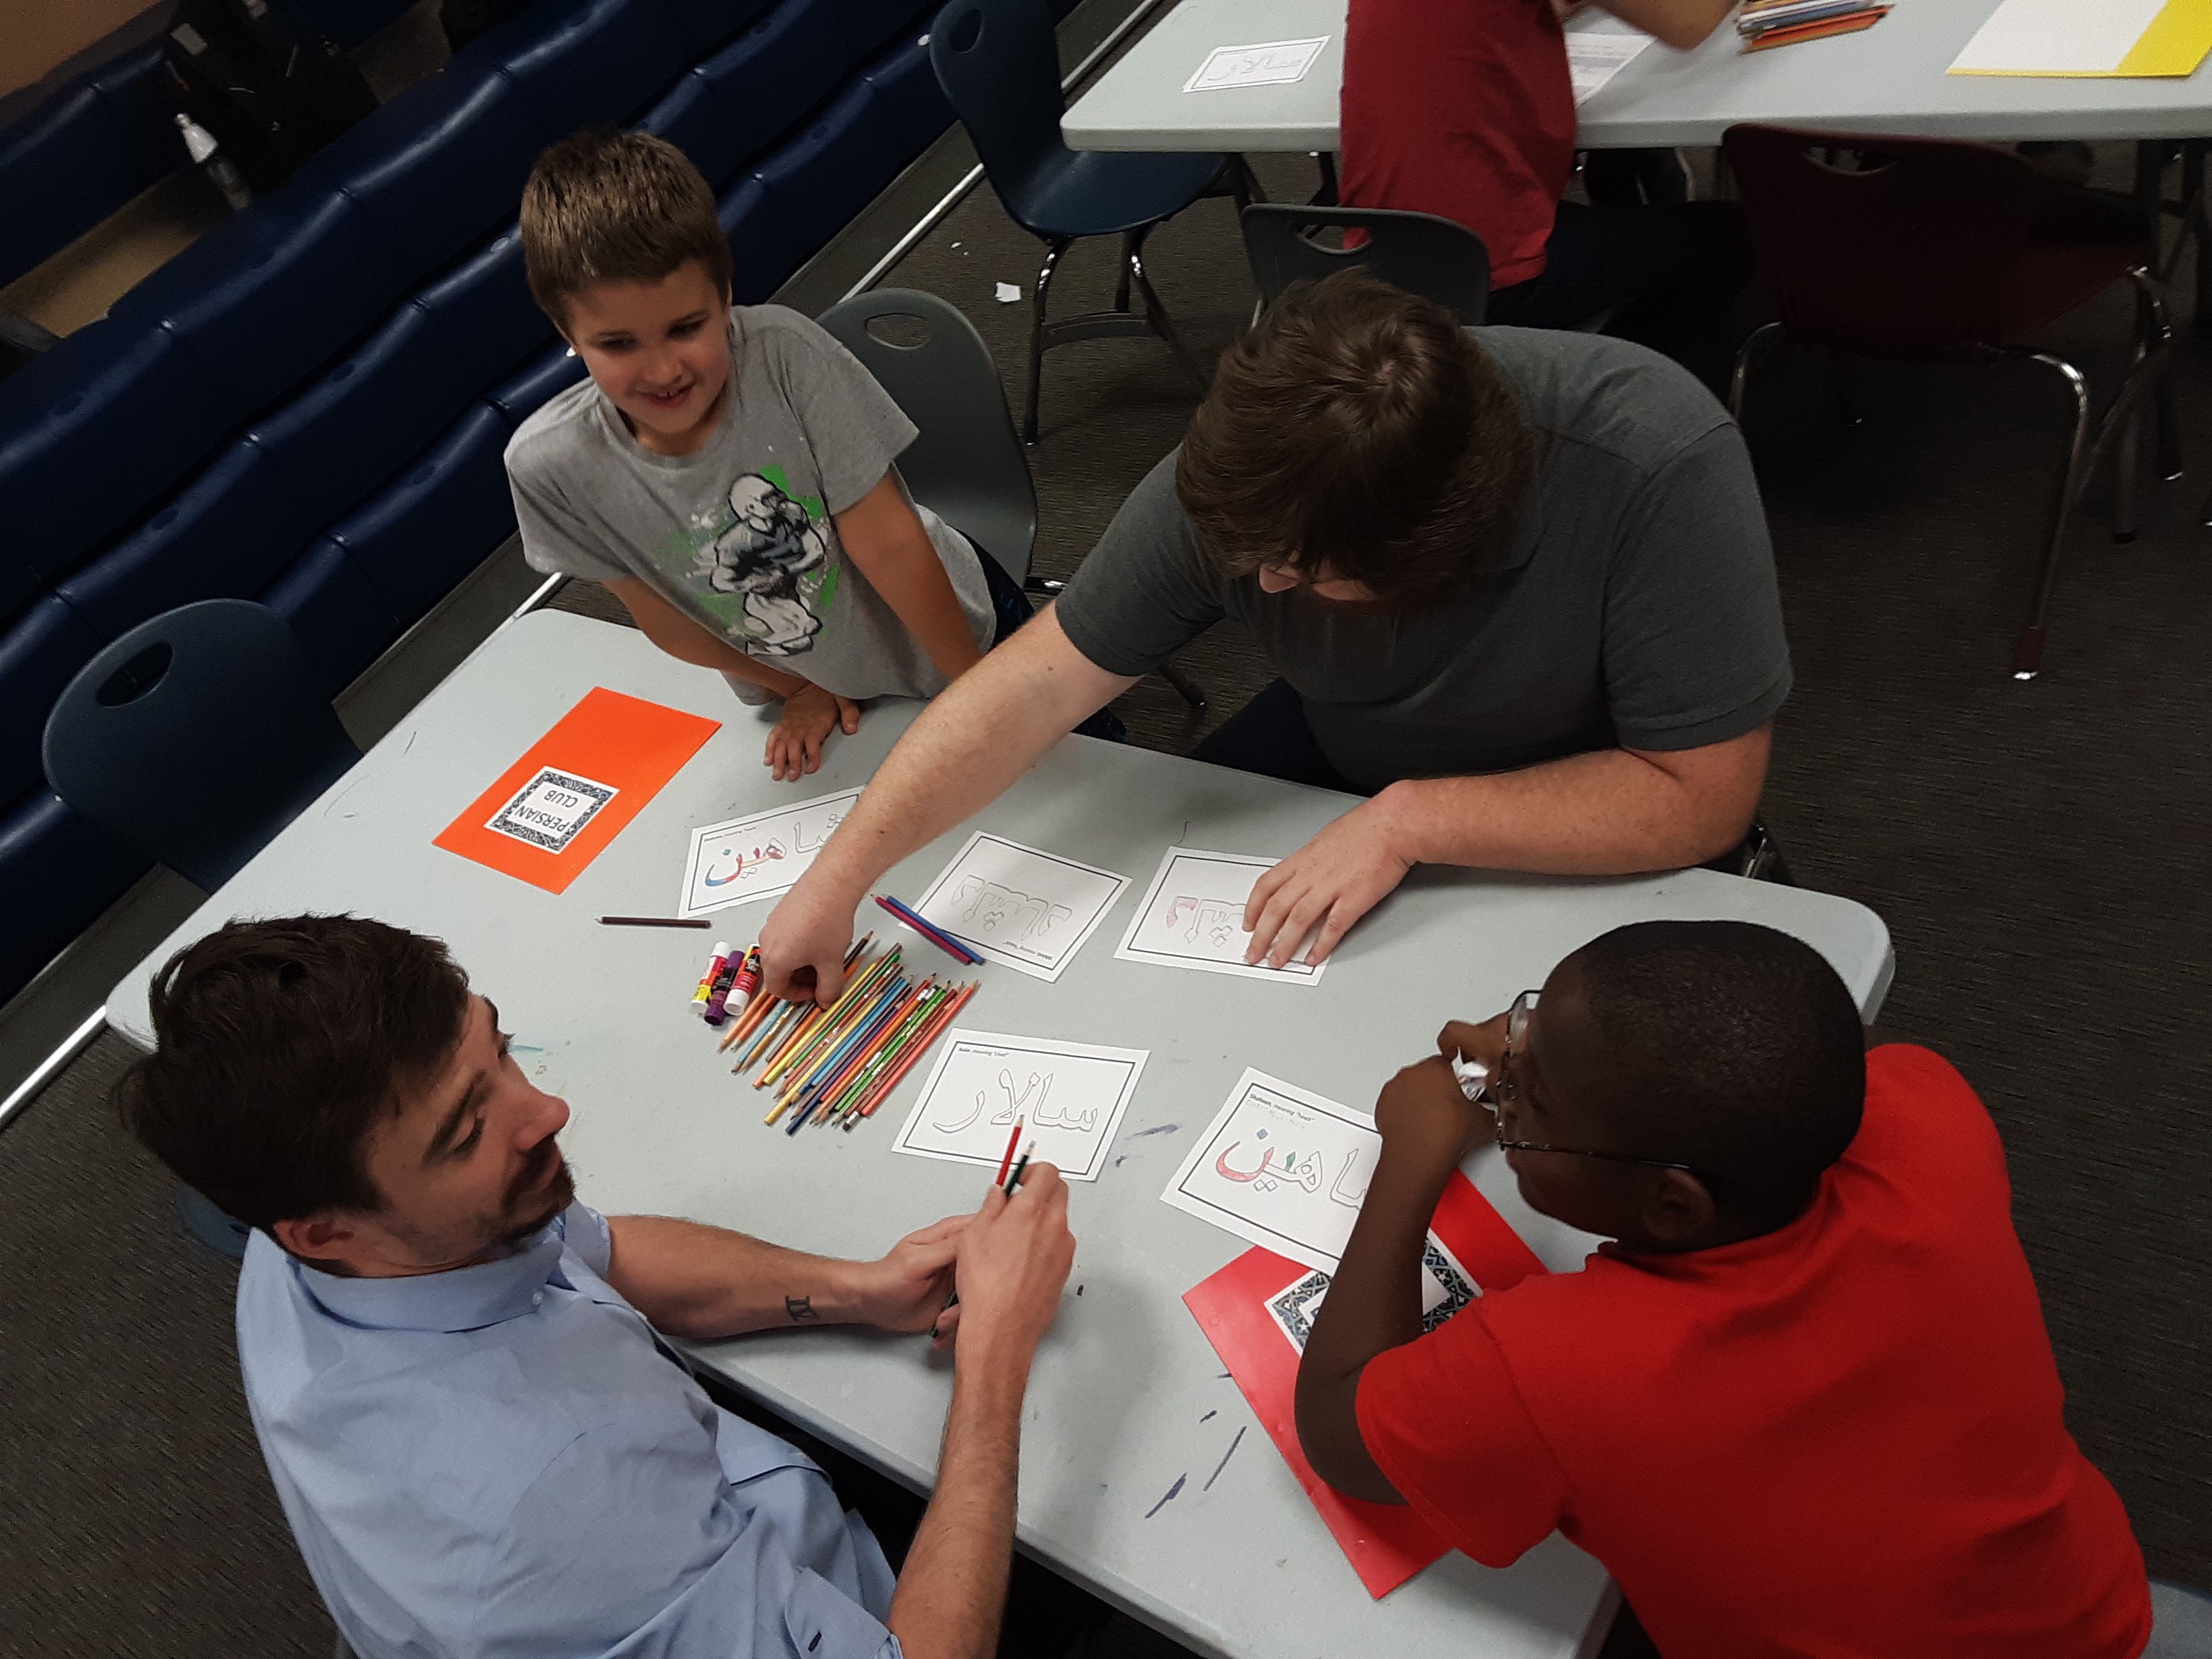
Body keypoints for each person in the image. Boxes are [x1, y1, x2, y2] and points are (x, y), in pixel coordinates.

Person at [759, 273, 1789, 1002]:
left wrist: (1409, 822)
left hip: (1581, 795)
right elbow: (1029, 687)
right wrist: (836, 882)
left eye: (1300, 574)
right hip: (1355, 740)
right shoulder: (1263, 477)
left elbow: (1700, 795)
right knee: (1164, 948)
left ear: (1436, 552)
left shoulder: (1655, 461)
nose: (1261, 587)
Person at [116, 915, 1080, 1659]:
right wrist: (996, 1353)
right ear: (326, 1229)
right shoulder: (564, 1517)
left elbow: (596, 1251)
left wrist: (857, 1290)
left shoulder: (326, 1240)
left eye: (496, 1050)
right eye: (465, 1133)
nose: (547, 1109)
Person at [1295, 920, 2152, 1658]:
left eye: (1534, 1101)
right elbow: (1770, 1050)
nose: (1502, 1087)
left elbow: (1338, 1435)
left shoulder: (1559, 1367)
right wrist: (1555, 1053)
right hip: (2089, 1616)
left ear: (1671, 1203)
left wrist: (1416, 1145)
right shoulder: (1931, 1108)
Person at [504, 129, 1073, 785]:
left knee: (1069, 766)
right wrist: (792, 687)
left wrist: (974, 689)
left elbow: (890, 544)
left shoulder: (784, 356)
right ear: (566, 332)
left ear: (724, 294)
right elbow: (670, 625)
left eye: (687, 328)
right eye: (618, 344)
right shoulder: (552, 470)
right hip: (801, 675)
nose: (663, 369)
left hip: (946, 626)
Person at [1337, 0, 1751, 370]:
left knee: (1626, 220)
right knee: (1729, 238)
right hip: (1479, 268)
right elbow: (1689, 21)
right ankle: (1570, 399)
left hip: (1380, 254)